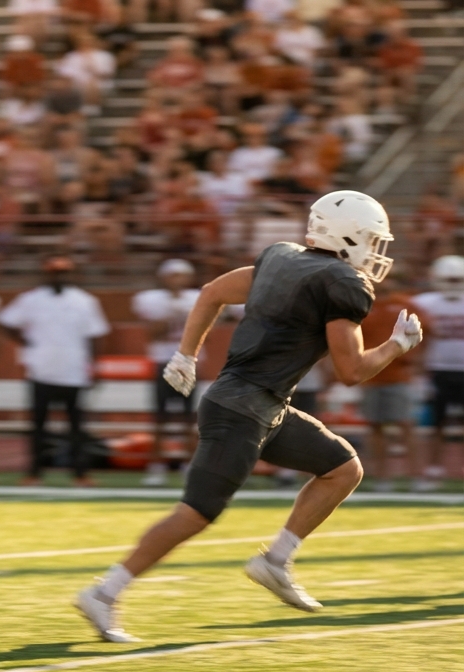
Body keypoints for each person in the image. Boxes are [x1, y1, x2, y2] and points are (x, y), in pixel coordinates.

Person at [76, 190, 422, 643]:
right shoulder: (343, 282)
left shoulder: (281, 258)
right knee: (196, 513)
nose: (377, 252)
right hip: (243, 408)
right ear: (350, 236)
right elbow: (352, 370)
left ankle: (275, 561)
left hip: (259, 403)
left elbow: (211, 293)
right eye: (373, 240)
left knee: (342, 468)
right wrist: (398, 345)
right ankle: (104, 592)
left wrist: (186, 355)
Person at [0, 256, 110, 486]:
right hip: (42, 370)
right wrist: (25, 342)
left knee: (77, 427)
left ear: (70, 275)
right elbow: (4, 321)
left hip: (74, 371)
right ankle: (34, 473)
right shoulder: (31, 299)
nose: (59, 277)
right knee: (38, 426)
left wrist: (95, 366)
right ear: (47, 274)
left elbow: (95, 336)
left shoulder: (84, 301)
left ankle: (80, 474)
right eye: (55, 272)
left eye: (63, 272)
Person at [131, 259, 201, 487]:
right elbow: (154, 333)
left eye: (181, 275)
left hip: (189, 361)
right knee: (160, 418)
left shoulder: (197, 298)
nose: (177, 281)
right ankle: (156, 466)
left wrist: (182, 316)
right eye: (173, 276)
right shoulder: (151, 299)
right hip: (164, 360)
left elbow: (204, 331)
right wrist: (174, 315)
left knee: (188, 418)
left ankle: (189, 465)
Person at [356, 271, 421, 492]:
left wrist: (415, 360)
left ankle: (417, 476)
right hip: (372, 375)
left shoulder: (404, 304)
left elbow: (427, 333)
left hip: (398, 376)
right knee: (375, 427)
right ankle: (382, 478)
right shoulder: (363, 307)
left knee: (405, 425)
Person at [413, 254, 464, 490]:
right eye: (449, 279)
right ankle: (433, 471)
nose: (453, 284)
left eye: (457, 279)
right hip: (437, 369)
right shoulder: (424, 303)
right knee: (436, 423)